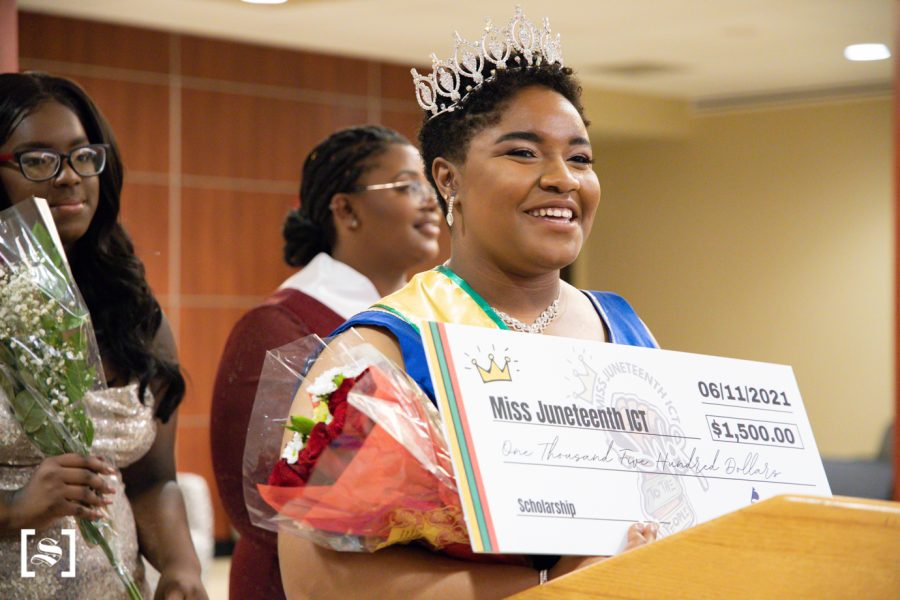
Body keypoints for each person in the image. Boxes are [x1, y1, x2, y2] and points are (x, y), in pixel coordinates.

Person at [278, 9, 659, 599]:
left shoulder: (627, 328)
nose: (563, 178)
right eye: (523, 153)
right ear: (448, 179)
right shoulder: (379, 349)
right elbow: (314, 581)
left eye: (580, 157)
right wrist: (549, 586)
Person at [211, 125, 442, 600]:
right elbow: (253, 499)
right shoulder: (278, 325)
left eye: (430, 187)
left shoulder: (428, 319)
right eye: (407, 186)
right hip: (296, 583)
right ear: (346, 209)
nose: (430, 201)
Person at [0, 72, 206, 600]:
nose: (70, 176)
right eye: (38, 159)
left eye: (83, 156)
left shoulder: (132, 309)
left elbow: (154, 481)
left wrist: (182, 569)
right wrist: (16, 510)